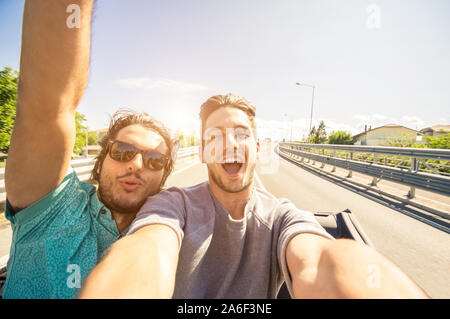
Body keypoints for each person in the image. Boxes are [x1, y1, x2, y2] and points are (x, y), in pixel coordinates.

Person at [79, 93, 428, 299]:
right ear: (202, 152)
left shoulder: (281, 216)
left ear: (257, 148)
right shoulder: (172, 205)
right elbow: (146, 251)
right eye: (216, 136)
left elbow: (321, 260)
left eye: (241, 135)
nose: (230, 144)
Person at [3, 0, 177, 299]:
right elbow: (48, 105)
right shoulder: (52, 205)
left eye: (154, 160)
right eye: (123, 151)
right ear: (102, 160)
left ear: (164, 177)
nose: (136, 164)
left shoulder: (169, 227)